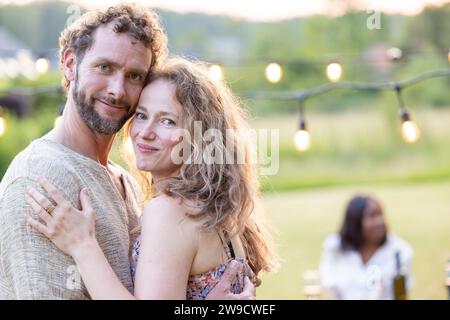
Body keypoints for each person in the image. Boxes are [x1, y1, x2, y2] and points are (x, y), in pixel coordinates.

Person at [0, 4, 255, 300]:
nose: (117, 91)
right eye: (104, 67)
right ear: (70, 63)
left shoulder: (130, 184)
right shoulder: (40, 179)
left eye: (134, 76)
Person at [25, 57, 279, 299]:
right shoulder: (215, 209)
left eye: (167, 121)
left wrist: (82, 246)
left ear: (200, 136)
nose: (145, 132)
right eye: (142, 115)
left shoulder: (169, 212)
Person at [319, 194, 413, 300]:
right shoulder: (335, 247)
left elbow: (402, 293)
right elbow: (328, 281)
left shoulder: (399, 251)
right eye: (372, 216)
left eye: (380, 214)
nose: (380, 221)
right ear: (355, 221)